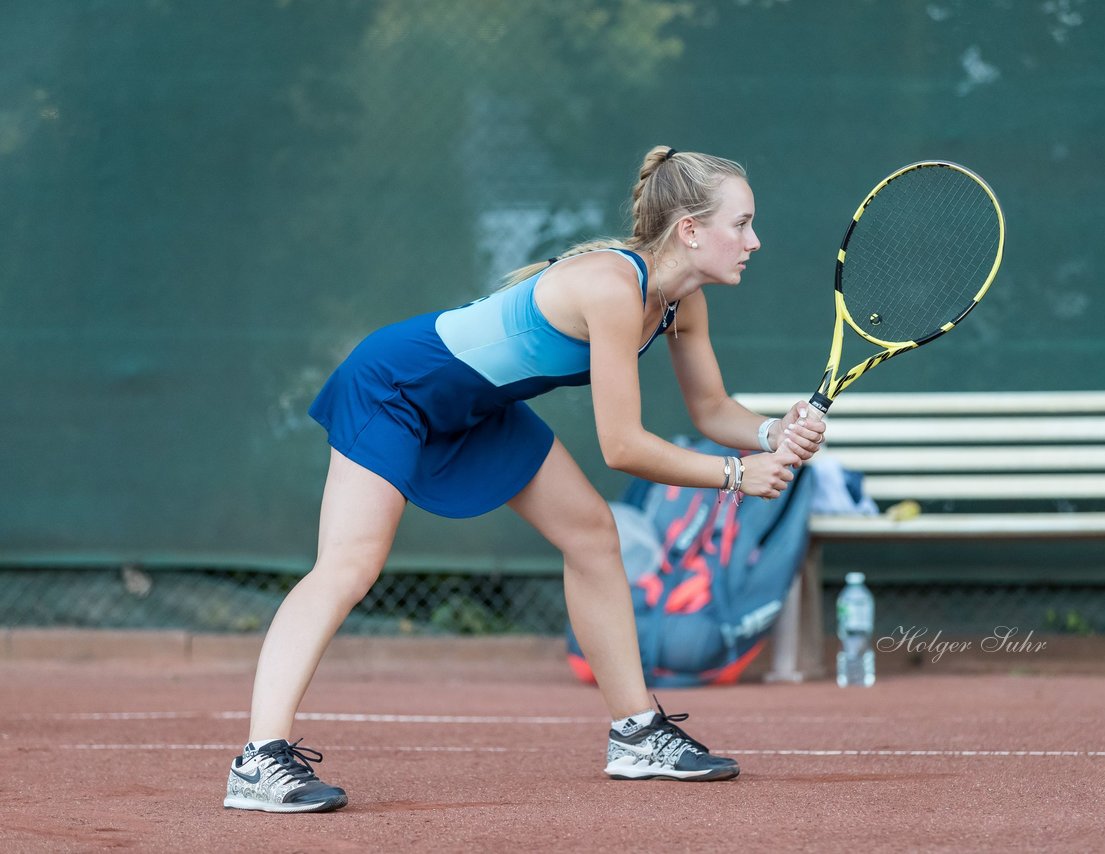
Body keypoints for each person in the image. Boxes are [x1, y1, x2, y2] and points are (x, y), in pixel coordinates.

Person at [222, 146, 827, 813]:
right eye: (741, 224)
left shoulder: (681, 304)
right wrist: (738, 475)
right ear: (689, 229)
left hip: (480, 408)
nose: (754, 241)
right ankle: (259, 760)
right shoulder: (612, 287)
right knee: (349, 564)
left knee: (593, 535)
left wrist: (774, 431)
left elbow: (712, 410)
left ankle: (637, 734)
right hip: (395, 387)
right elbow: (622, 445)